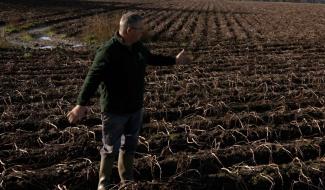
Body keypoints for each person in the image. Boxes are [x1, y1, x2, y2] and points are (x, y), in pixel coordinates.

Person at [67, 11, 190, 189]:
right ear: (129, 30)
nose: (142, 32)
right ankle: (104, 183)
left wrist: (174, 61)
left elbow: (150, 58)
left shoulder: (137, 46)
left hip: (135, 108)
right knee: (110, 148)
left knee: (129, 146)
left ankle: (127, 180)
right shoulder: (108, 51)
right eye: (140, 29)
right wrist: (81, 104)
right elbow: (92, 78)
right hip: (114, 110)